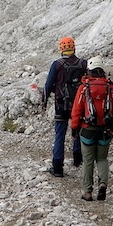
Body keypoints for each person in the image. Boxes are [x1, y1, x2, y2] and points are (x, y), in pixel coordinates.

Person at [70, 57, 113, 201]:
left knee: (88, 160)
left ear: (89, 70)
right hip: (106, 129)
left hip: (87, 129)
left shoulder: (84, 87)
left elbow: (77, 109)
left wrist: (74, 128)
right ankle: (102, 184)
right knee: (102, 158)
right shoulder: (109, 87)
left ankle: (87, 192)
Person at [42, 36, 87, 177]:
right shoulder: (83, 63)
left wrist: (43, 101)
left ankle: (57, 168)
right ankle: (77, 159)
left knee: (60, 134)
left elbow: (48, 85)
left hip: (61, 104)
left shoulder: (56, 64)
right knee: (78, 129)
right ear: (74, 47)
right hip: (79, 104)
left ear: (61, 49)